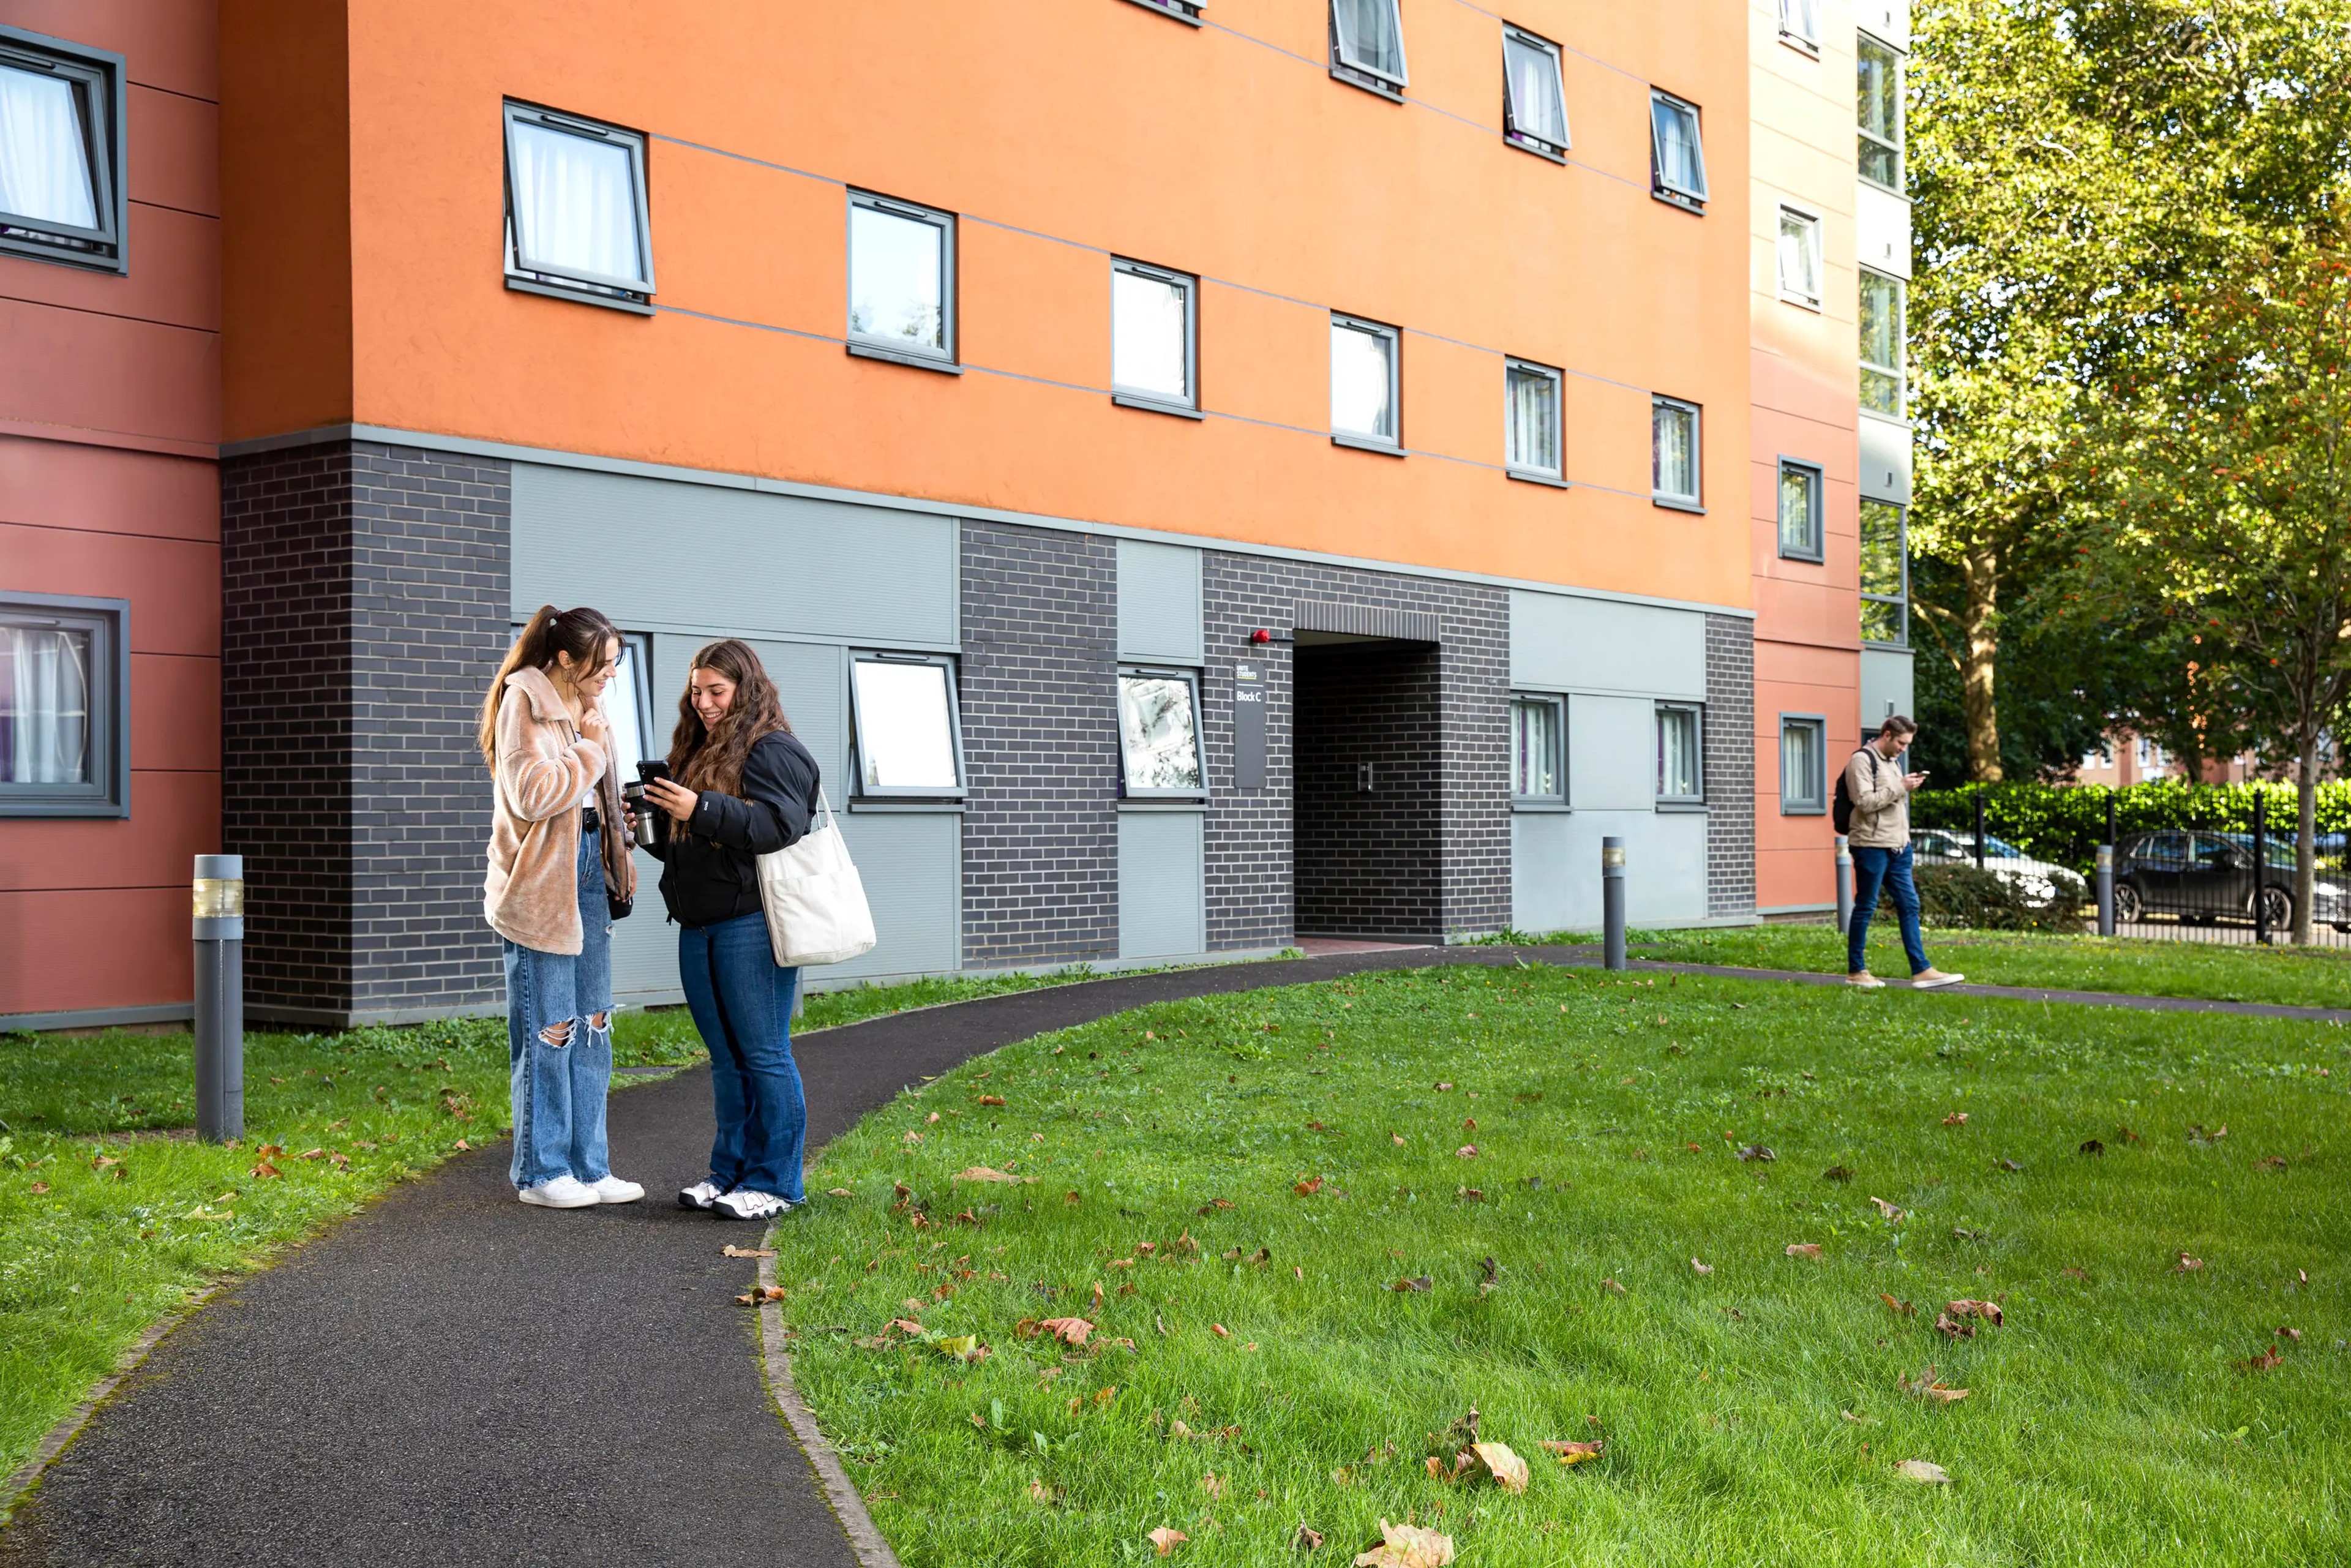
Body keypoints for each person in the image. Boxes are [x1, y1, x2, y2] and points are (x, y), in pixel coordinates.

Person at [632, 639, 821, 1223]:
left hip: (751, 924)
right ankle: (730, 1173)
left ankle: (777, 1182)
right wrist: (649, 821)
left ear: (746, 688)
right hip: (699, 924)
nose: (705, 702)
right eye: (697, 691)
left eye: (717, 691)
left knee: (764, 1054)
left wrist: (701, 809)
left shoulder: (773, 749)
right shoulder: (697, 747)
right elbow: (688, 847)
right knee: (725, 1058)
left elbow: (780, 825)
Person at [479, 604, 644, 1208]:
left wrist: (620, 820)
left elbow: (588, 792)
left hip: (590, 870)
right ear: (567, 660)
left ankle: (590, 1166)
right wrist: (592, 754)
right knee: (552, 1028)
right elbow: (534, 793)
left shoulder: (590, 709)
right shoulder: (524, 699)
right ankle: (541, 1172)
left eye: (617, 666)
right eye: (603, 666)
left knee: (595, 1023)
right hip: (541, 881)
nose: (611, 677)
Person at [1843, 714, 1964, 990]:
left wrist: (1903, 786)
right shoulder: (1862, 760)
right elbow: (1863, 802)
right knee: (1866, 906)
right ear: (1886, 734)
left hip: (1899, 847)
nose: (1903, 749)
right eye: (1901, 742)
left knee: (1910, 904)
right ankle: (1856, 970)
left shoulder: (1892, 762)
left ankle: (1921, 970)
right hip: (1871, 846)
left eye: (1907, 744)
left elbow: (1891, 800)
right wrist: (1901, 787)